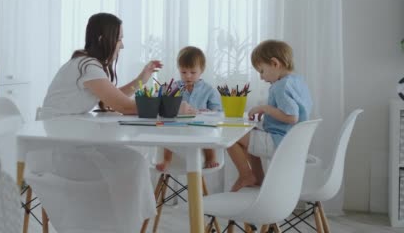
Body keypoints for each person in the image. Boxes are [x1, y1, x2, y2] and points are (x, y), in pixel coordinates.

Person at [34, 13, 195, 232]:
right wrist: (171, 108)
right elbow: (123, 106)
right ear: (103, 38)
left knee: (133, 160)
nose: (122, 44)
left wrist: (142, 78)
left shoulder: (84, 63)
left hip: (63, 136)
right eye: (119, 38)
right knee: (133, 163)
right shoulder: (87, 65)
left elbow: (111, 98)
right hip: (59, 145)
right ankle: (121, 223)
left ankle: (121, 223)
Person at [228, 39, 312, 192]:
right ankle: (257, 178)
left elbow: (292, 117)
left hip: (278, 142)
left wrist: (265, 108)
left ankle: (247, 175)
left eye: (261, 71)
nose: (261, 77)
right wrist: (267, 114)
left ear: (275, 63)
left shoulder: (280, 86)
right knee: (247, 137)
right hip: (291, 142)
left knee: (230, 135)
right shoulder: (297, 82)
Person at [155, 46, 222, 172]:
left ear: (201, 70)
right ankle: (167, 160)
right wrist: (163, 94)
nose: (188, 76)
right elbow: (161, 104)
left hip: (200, 127)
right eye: (184, 72)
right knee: (167, 132)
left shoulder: (208, 90)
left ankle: (210, 157)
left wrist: (201, 112)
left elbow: (218, 112)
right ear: (179, 70)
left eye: (193, 72)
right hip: (177, 127)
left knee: (208, 133)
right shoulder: (174, 87)